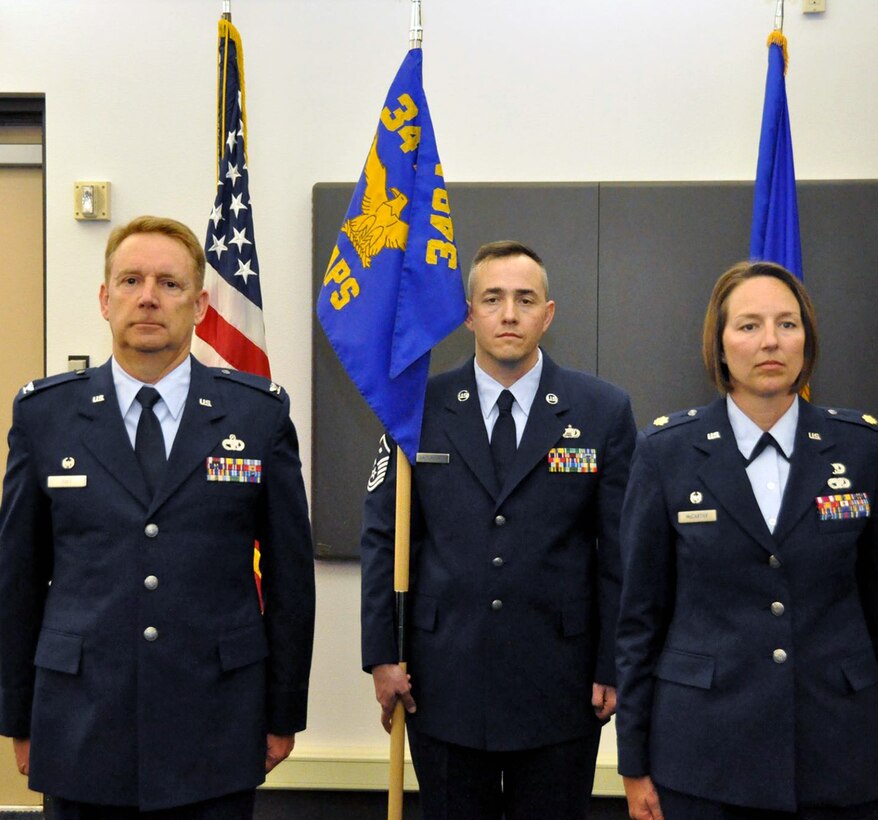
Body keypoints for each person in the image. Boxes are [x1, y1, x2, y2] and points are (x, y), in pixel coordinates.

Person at [0, 216, 316, 818]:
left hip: (216, 719)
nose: (148, 297)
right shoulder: (46, 415)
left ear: (199, 306)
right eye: (131, 280)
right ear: (105, 299)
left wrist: (282, 711)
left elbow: (290, 580)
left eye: (169, 284)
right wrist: (18, 714)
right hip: (79, 720)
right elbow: (17, 576)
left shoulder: (256, 416)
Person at [615, 261, 878, 820]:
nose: (770, 342)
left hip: (842, 756)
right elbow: (640, 621)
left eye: (787, 324)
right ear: (719, 344)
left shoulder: (864, 450)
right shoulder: (666, 453)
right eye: (749, 325)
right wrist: (633, 763)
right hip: (702, 759)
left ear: (807, 339)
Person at [360, 240, 637, 820]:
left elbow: (620, 552)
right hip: (442, 682)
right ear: (468, 314)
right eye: (492, 299)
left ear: (548, 314)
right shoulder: (416, 408)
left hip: (560, 685)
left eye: (525, 299)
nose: (509, 314)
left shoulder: (602, 411)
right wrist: (383, 655)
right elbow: (386, 539)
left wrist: (613, 664)